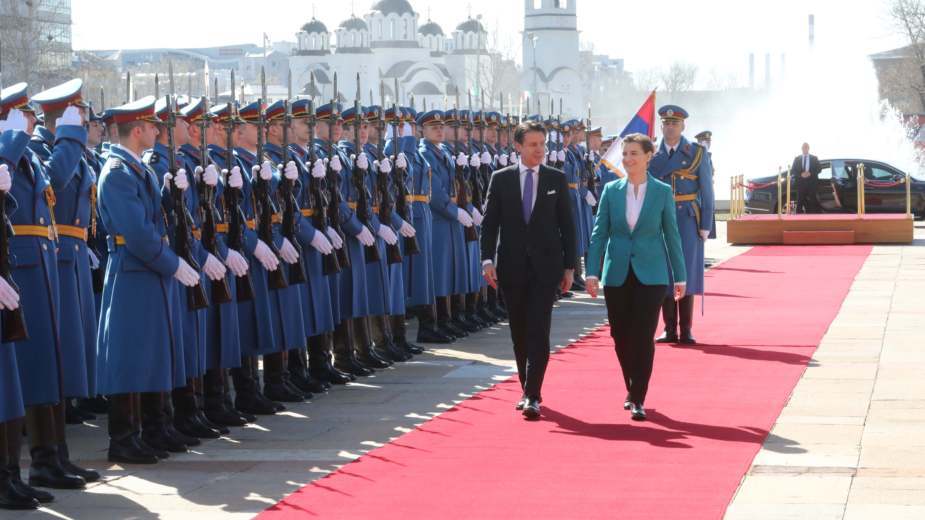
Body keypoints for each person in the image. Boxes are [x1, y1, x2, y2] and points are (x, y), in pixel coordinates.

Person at [585, 133, 687, 421]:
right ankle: (631, 385)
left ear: (648, 156)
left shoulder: (662, 192)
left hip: (651, 274)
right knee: (620, 335)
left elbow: (672, 235)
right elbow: (599, 234)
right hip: (616, 272)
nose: (628, 159)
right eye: (625, 154)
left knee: (643, 335)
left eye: (634, 153)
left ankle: (638, 396)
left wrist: (680, 276)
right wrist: (591, 271)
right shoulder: (611, 190)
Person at [480, 120, 577, 420]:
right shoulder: (501, 179)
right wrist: (486, 260)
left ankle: (533, 394)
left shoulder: (555, 178)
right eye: (533, 144)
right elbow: (489, 224)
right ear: (518, 146)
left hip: (546, 268)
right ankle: (526, 388)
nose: (540, 150)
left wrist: (570, 267)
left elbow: (567, 226)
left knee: (539, 328)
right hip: (511, 267)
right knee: (519, 331)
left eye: (542, 144)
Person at [649, 105, 713, 345]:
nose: (670, 127)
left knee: (685, 271)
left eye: (674, 124)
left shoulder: (695, 153)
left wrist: (705, 224)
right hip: (661, 218)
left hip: (686, 218)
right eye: (666, 123)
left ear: (683, 126)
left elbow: (707, 190)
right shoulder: (652, 154)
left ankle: (686, 329)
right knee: (664, 272)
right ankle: (669, 328)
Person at [790, 142, 821, 214]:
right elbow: (793, 170)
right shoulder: (797, 159)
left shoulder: (814, 158)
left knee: (813, 201)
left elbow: (819, 169)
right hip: (800, 184)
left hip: (812, 184)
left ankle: (813, 217)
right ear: (801, 149)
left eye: (806, 147)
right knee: (800, 202)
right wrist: (801, 174)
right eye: (803, 147)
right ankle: (799, 217)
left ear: (808, 148)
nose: (805, 149)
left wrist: (810, 173)